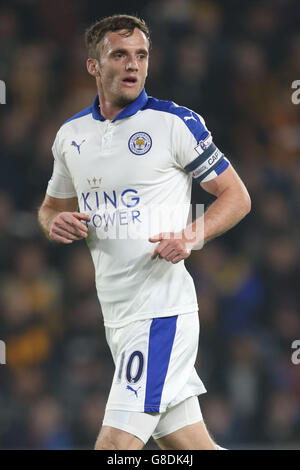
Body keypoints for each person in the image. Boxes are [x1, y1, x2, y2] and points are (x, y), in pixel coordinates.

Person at [38, 14, 251, 450]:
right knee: (192, 447)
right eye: (119, 55)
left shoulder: (174, 124)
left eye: (141, 55)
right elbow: (50, 208)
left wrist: (191, 236)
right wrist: (51, 222)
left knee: (115, 448)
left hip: (160, 315)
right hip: (117, 318)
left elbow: (236, 196)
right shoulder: (71, 136)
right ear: (94, 66)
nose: (133, 64)